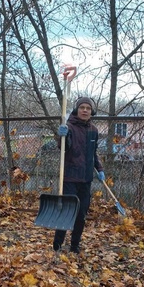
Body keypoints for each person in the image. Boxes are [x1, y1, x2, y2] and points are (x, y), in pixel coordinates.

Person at [53, 97, 105, 254]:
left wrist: (99, 169)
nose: (85, 110)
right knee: (67, 212)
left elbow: (93, 153)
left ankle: (75, 245)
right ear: (77, 110)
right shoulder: (68, 127)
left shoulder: (93, 131)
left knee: (81, 214)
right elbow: (64, 147)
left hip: (86, 179)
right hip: (70, 177)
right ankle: (57, 245)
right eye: (82, 107)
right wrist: (62, 136)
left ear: (91, 112)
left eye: (88, 108)